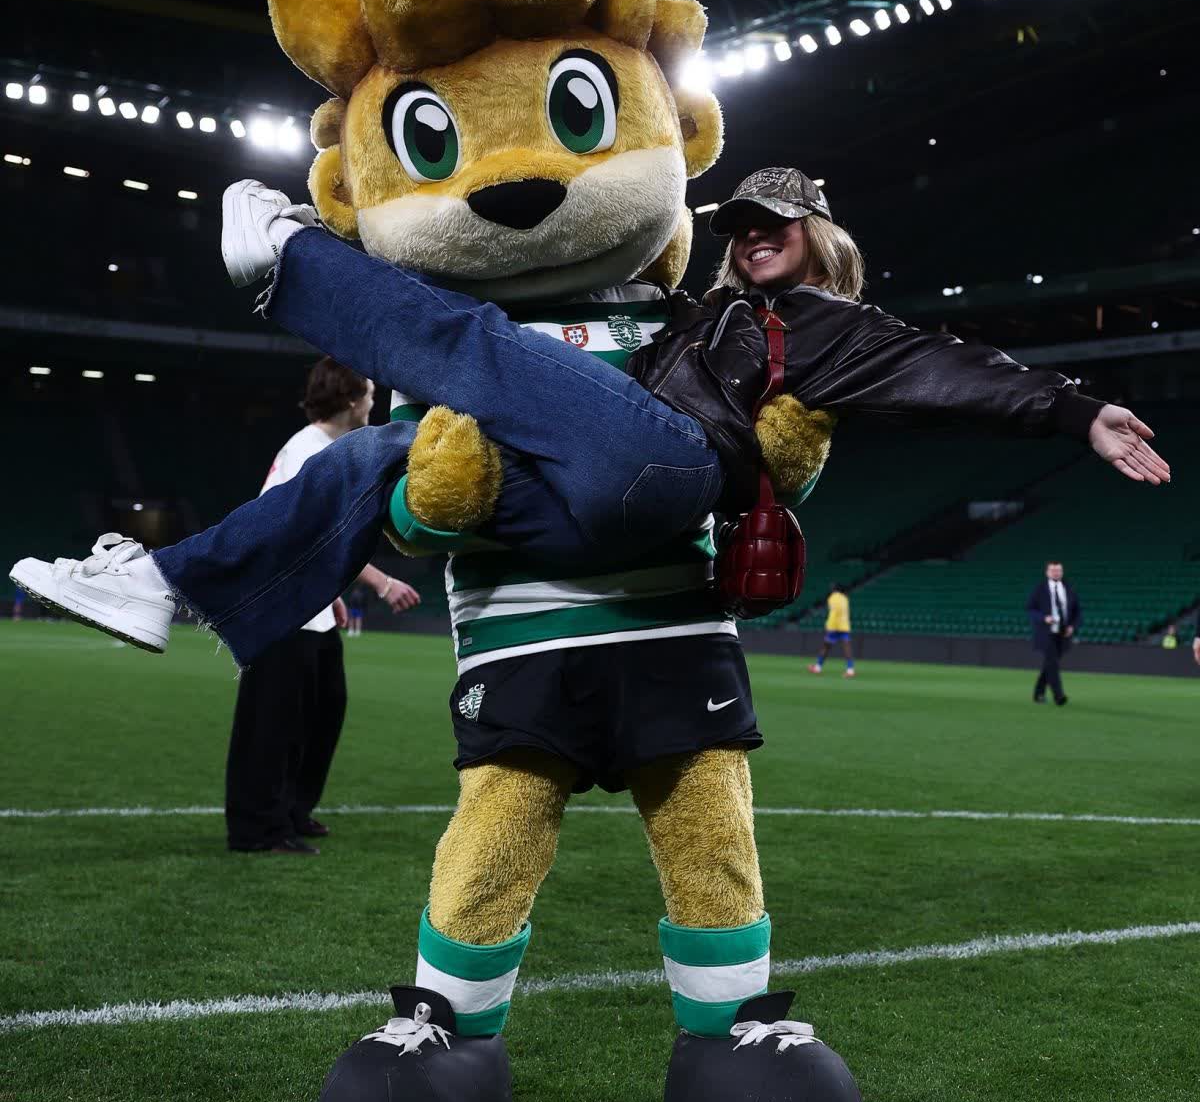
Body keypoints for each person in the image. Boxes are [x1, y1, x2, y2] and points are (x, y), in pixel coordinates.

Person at [10, 173, 1171, 669]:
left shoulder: (821, 322)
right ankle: (165, 584)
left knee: (477, 350)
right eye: (742, 223)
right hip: (587, 506)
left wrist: (1076, 413)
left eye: (779, 222)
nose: (755, 235)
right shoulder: (706, 314)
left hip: (667, 474)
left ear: (822, 240)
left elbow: (938, 366)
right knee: (378, 451)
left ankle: (291, 264)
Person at [225, 359, 420, 856]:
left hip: (305, 606)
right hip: (278, 608)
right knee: (271, 722)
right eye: (369, 394)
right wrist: (381, 583)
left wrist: (328, 594)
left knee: (323, 709)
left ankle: (291, 812)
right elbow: (306, 535)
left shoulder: (324, 449)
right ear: (352, 401)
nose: (373, 404)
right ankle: (256, 829)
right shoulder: (308, 451)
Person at [1026, 560, 1080, 707]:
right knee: (1053, 664)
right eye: (1053, 570)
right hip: (1046, 633)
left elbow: (1077, 610)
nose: (1056, 573)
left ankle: (1039, 693)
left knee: (1049, 664)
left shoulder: (1068, 588)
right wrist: (1044, 618)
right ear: (1047, 572)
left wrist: (1072, 626)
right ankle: (1059, 695)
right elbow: (1030, 609)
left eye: (1059, 570)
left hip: (1062, 633)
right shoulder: (1040, 589)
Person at [809, 583, 855, 678]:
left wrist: (829, 625)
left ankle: (818, 667)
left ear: (834, 589)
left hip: (834, 627)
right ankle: (850, 670)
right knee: (847, 647)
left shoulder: (832, 598)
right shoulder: (845, 598)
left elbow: (834, 612)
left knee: (826, 647)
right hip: (844, 626)